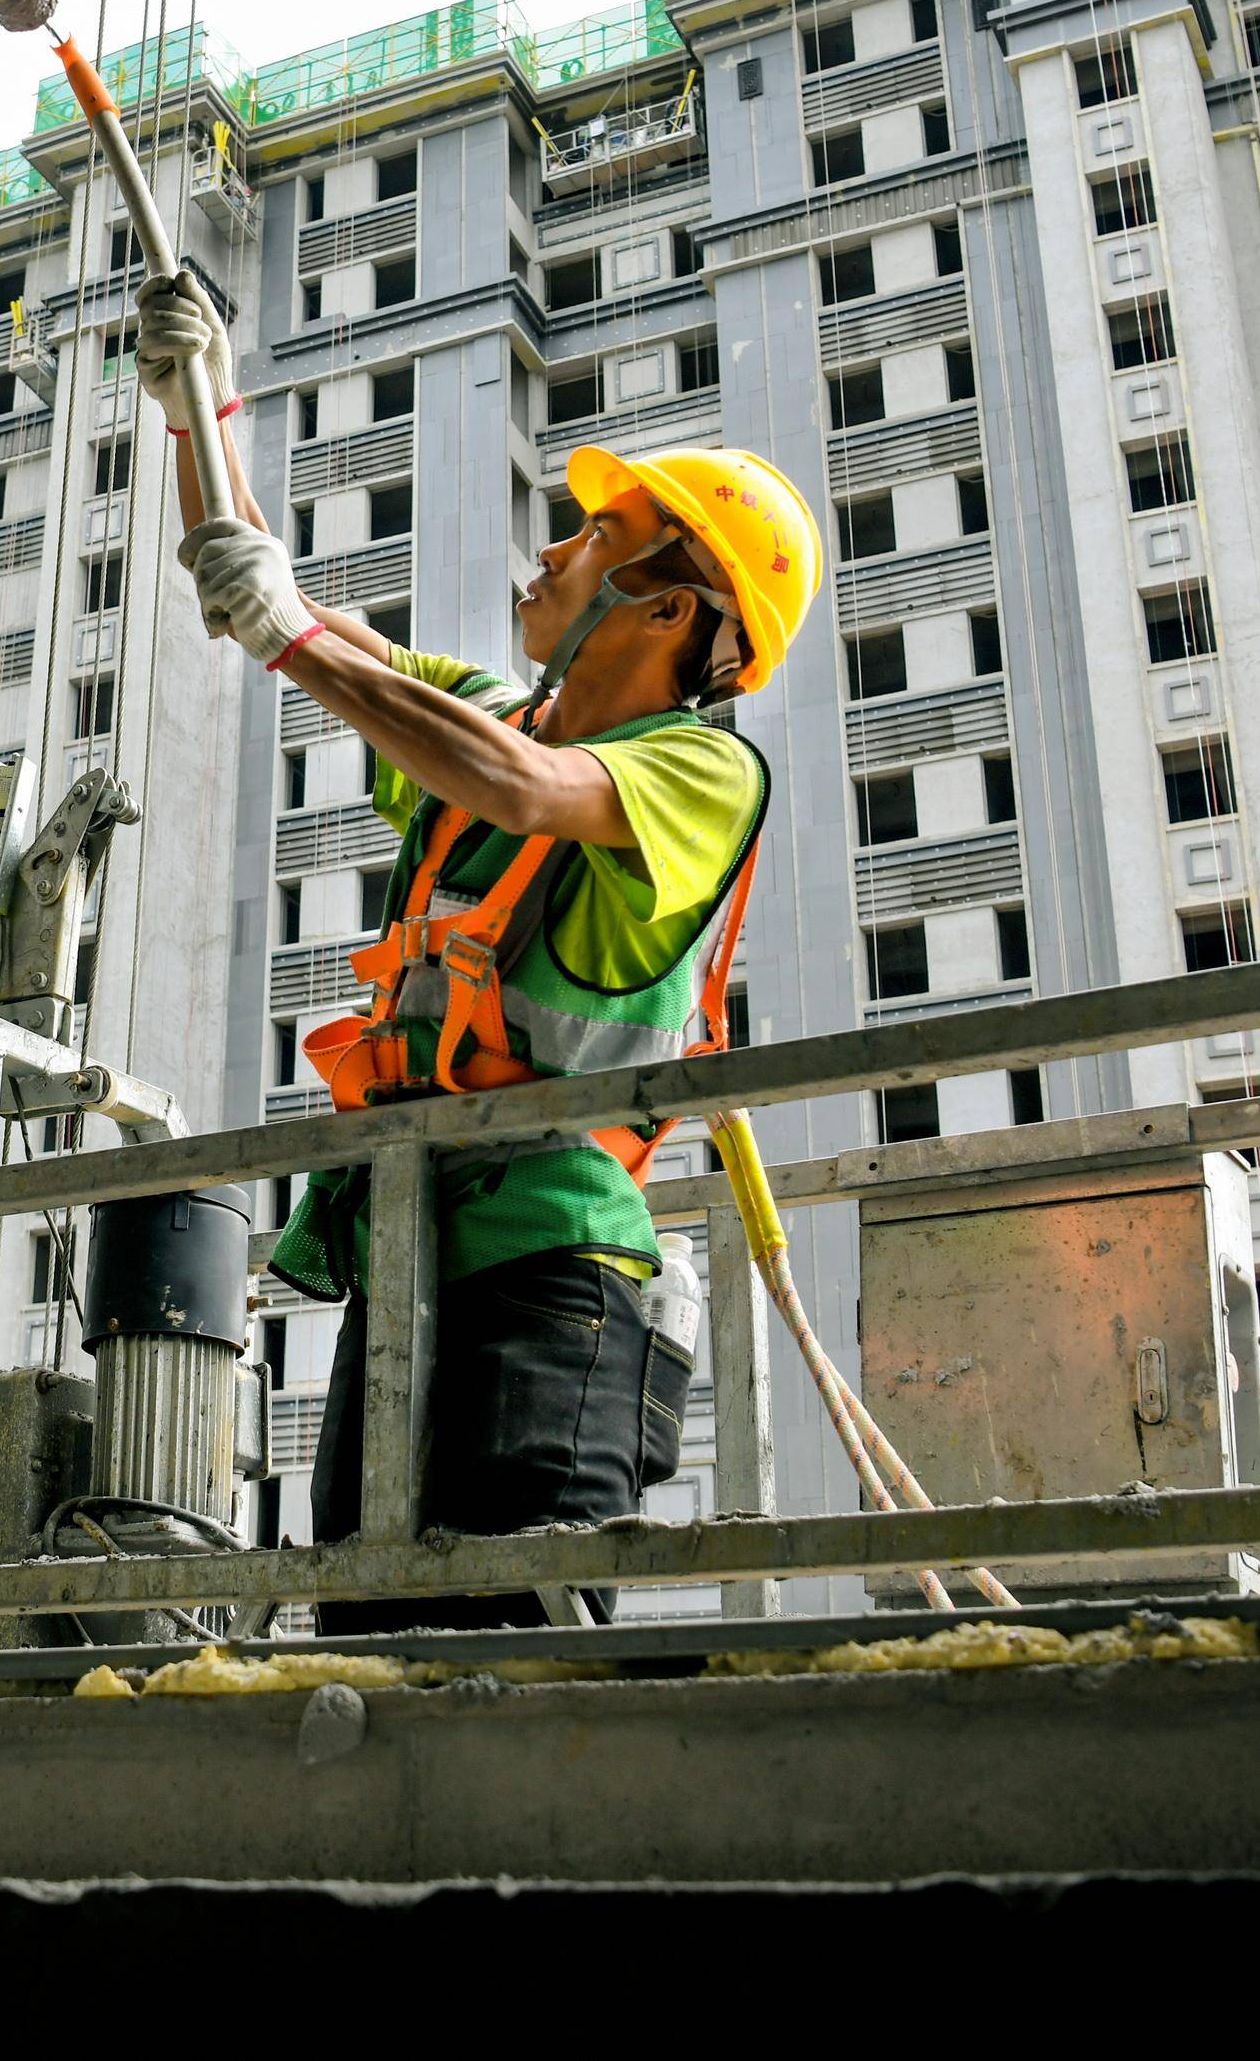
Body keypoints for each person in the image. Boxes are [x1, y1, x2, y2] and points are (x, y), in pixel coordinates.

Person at [130, 262, 823, 1628]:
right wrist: (191, 406)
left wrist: (287, 628)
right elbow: (277, 603)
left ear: (670, 606)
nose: (547, 551)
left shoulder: (698, 769)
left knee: (507, 1668)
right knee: (369, 1649)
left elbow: (513, 785)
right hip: (409, 1260)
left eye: (589, 540)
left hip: (554, 1277)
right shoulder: (486, 717)